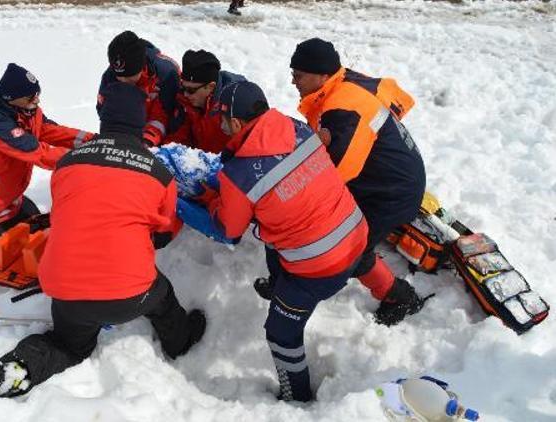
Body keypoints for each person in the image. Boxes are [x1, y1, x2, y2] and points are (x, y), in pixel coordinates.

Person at [0, 83, 206, 403]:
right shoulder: (158, 173)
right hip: (130, 293)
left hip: (65, 290)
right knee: (163, 299)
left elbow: (64, 214)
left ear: (104, 121)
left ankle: (19, 368)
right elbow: (164, 232)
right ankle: (180, 343)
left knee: (67, 345)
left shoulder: (70, 161)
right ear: (139, 123)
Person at [196, 81, 368, 403]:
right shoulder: (298, 128)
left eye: (222, 121)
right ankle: (284, 286)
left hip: (319, 267)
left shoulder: (240, 173)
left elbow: (229, 229)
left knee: (280, 332)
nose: (220, 127)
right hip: (355, 232)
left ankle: (296, 397)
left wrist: (212, 200)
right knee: (273, 234)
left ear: (236, 123)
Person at [288, 38, 427, 326]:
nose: (293, 81)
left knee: (350, 247)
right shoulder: (341, 84)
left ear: (322, 76)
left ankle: (400, 296)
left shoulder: (343, 107)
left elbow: (336, 174)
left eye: (298, 75)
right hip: (385, 176)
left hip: (391, 191)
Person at [0, 63, 92, 265]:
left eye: (37, 93)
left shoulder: (26, 110)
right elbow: (39, 154)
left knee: (45, 239)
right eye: (30, 97)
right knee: (3, 264)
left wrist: (92, 140)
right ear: (11, 98)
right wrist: (85, 157)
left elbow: (49, 130)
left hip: (11, 202)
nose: (36, 100)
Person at [97, 30, 183, 147]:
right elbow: (105, 112)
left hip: (161, 140)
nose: (123, 81)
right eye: (119, 77)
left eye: (130, 77)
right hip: (126, 137)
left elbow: (171, 117)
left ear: (142, 67)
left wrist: (147, 142)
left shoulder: (167, 73)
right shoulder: (111, 74)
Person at [167, 49, 246, 153]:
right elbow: (178, 135)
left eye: (191, 90)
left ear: (210, 86)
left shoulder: (237, 103)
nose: (185, 94)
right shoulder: (184, 100)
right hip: (198, 162)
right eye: (184, 87)